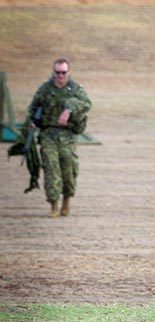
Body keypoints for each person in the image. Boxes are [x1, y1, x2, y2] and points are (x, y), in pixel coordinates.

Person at [24, 58, 92, 218]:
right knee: (51, 169)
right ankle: (54, 204)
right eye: (57, 72)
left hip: (68, 135)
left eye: (63, 72)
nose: (60, 76)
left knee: (69, 170)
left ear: (69, 72)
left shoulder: (75, 89)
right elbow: (33, 108)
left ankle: (67, 200)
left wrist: (70, 109)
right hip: (48, 134)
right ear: (53, 72)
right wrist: (33, 121)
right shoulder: (45, 89)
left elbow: (87, 105)